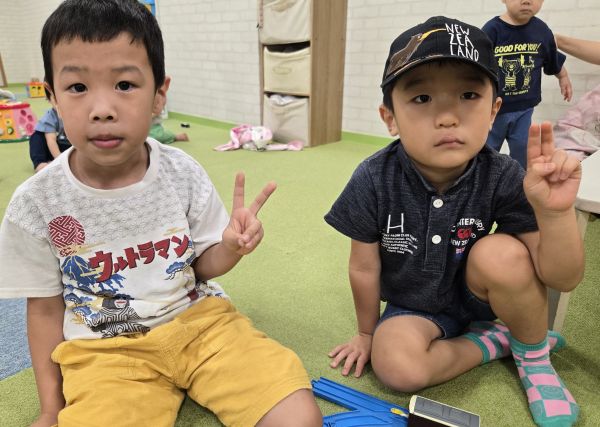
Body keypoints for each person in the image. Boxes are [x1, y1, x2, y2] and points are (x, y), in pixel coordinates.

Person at [0, 1, 322, 427]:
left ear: (159, 95)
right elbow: (43, 310)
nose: (102, 108)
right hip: (104, 351)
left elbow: (202, 267)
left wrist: (230, 247)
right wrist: (49, 409)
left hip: (202, 325)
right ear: (52, 97)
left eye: (125, 84)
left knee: (297, 417)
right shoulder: (36, 202)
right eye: (78, 87)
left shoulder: (181, 172)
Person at [325, 16, 583, 427]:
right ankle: (495, 342)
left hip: (479, 296)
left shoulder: (504, 174)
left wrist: (555, 214)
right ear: (390, 118)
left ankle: (534, 357)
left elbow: (562, 278)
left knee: (503, 253)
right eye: (422, 98)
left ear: (494, 110)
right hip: (414, 307)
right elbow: (364, 266)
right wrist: (367, 334)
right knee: (395, 367)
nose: (447, 117)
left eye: (468, 94)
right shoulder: (373, 177)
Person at [482, 0, 573, 168]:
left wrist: (563, 77)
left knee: (523, 148)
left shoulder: (541, 31)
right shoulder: (492, 30)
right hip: (494, 109)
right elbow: (478, 64)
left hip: (524, 109)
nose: (527, 1)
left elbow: (552, 58)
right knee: (487, 149)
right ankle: (484, 177)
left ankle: (520, 178)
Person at [29, 107, 71, 172]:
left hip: (71, 147)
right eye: (55, 102)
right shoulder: (50, 116)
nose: (58, 104)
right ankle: (40, 163)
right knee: (37, 136)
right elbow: (51, 140)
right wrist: (59, 160)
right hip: (54, 148)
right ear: (49, 101)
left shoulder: (79, 112)